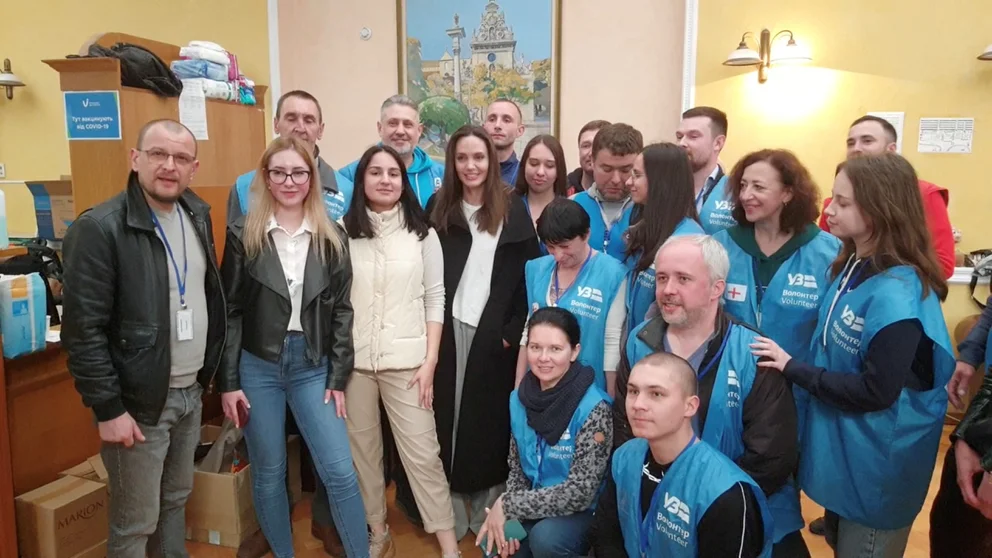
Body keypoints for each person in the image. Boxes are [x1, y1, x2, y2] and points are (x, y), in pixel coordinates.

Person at [752, 153, 954, 557]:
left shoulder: (898, 293)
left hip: (879, 463)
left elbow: (876, 391)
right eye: (833, 199)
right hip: (849, 452)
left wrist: (793, 368)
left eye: (843, 203)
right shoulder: (853, 263)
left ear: (880, 211)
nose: (829, 210)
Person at [62, 119, 226, 557]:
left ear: (193, 168)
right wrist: (109, 408)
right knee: (135, 523)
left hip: (190, 391)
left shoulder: (197, 215)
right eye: (158, 154)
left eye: (181, 158)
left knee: (175, 501)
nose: (169, 165)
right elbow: (83, 331)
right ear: (135, 159)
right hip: (139, 403)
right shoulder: (101, 228)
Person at [218, 136, 369, 558]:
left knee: (340, 472)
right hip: (257, 367)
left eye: (299, 173)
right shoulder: (242, 234)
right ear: (265, 178)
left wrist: (338, 375)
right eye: (279, 172)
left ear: (312, 179)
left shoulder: (331, 236)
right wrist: (228, 382)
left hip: (312, 365)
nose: (289, 181)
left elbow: (342, 311)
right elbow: (230, 312)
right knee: (269, 473)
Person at [616, 235, 805, 557]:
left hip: (737, 509)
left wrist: (703, 500)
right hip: (657, 503)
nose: (668, 289)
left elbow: (771, 457)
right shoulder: (640, 341)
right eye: (662, 278)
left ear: (717, 288)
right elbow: (624, 426)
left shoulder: (753, 353)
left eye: (683, 279)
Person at [341, 145, 460, 558]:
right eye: (375, 172)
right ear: (362, 180)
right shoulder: (343, 232)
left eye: (393, 173)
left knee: (424, 455)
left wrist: (430, 360)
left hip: (409, 364)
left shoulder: (422, 234)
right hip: (355, 364)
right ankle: (378, 531)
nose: (385, 180)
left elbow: (435, 298)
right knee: (363, 455)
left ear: (403, 182)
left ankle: (448, 545)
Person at [427, 125, 541, 540]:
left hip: (493, 335)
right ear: (452, 163)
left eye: (478, 157)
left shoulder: (513, 208)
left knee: (488, 423)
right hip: (446, 328)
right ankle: (450, 512)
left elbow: (530, 277)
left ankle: (486, 513)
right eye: (462, 158)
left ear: (491, 162)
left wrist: (511, 332)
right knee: (447, 420)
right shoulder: (439, 206)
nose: (470, 166)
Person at [712, 149, 840, 460]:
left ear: (787, 193)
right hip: (731, 388)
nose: (746, 195)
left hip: (799, 391)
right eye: (743, 185)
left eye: (758, 187)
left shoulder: (828, 252)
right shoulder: (721, 246)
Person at [593, 352, 772, 558]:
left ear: (690, 406)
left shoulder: (724, 492)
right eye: (633, 391)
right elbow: (607, 537)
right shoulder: (624, 457)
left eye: (656, 394)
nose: (638, 404)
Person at [478, 307, 613, 558]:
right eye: (535, 347)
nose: (543, 358)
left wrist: (508, 505)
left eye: (555, 349)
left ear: (574, 352)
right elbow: (517, 469)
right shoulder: (519, 399)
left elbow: (581, 493)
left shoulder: (594, 408)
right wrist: (511, 518)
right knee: (494, 543)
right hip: (536, 504)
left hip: (581, 512)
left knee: (546, 540)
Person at [818, 115, 954, 279]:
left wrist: (885, 283)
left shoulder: (924, 194)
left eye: (867, 141)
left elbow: (943, 264)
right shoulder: (833, 205)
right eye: (851, 143)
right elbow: (824, 255)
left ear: (891, 149)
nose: (856, 148)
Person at [516, 199, 627, 396]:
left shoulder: (613, 274)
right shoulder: (536, 269)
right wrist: (518, 388)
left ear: (586, 235)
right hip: (538, 386)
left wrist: (611, 396)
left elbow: (612, 341)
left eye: (565, 246)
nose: (558, 255)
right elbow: (528, 332)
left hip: (586, 388)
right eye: (551, 247)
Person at [229, 90, 354, 223]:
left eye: (308, 120)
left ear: (320, 130)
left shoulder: (345, 191)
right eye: (291, 119)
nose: (300, 128)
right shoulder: (244, 187)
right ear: (276, 125)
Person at [621, 142, 704, 332]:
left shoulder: (688, 242)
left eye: (637, 175)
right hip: (638, 343)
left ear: (660, 182)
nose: (628, 182)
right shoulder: (644, 228)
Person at [339, 95, 445, 208]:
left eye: (407, 124)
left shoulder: (442, 175)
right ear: (380, 128)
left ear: (419, 130)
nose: (400, 131)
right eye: (393, 123)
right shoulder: (349, 176)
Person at [569, 123, 642, 259]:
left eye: (625, 170)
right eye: (607, 169)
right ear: (592, 162)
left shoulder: (649, 210)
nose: (616, 180)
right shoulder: (572, 206)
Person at [676, 106, 734, 234]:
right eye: (679, 137)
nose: (682, 143)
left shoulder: (735, 192)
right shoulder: (665, 186)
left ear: (718, 143)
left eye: (693, 136)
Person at [513, 134, 571, 255]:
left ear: (559, 170)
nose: (540, 172)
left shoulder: (569, 211)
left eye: (549, 166)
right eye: (534, 164)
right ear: (524, 166)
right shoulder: (509, 207)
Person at [483, 99, 526, 185]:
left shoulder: (525, 177)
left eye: (506, 120)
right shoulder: (469, 172)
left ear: (520, 131)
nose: (497, 125)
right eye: (492, 119)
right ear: (483, 127)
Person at [566, 120, 611, 195]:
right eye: (586, 146)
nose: (591, 153)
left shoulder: (627, 190)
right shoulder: (562, 191)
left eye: (599, 146)